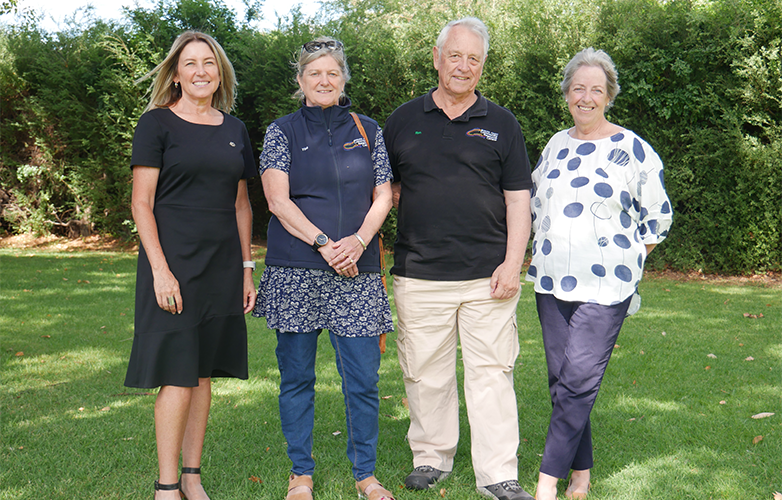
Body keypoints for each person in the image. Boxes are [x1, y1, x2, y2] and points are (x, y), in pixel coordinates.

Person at [384, 17, 534, 500]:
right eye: (455, 55)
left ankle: (497, 474)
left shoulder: (502, 124)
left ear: (482, 65)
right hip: (419, 272)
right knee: (425, 372)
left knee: (491, 374)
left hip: (487, 276)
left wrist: (513, 264)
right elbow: (385, 192)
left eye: (473, 58)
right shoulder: (403, 121)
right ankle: (431, 457)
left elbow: (518, 200)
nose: (463, 66)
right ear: (436, 57)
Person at [251, 37, 395, 500]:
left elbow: (384, 196)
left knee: (363, 379)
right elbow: (277, 199)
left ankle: (366, 476)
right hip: (296, 269)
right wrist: (324, 244)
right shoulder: (281, 131)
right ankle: (301, 474)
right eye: (315, 73)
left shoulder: (368, 129)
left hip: (358, 269)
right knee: (297, 376)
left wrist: (355, 243)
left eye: (333, 72)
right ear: (300, 81)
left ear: (344, 78)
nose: (324, 80)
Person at [527, 47, 673, 500]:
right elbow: (533, 206)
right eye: (578, 88)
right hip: (551, 283)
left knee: (577, 382)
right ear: (567, 93)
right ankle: (582, 472)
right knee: (562, 383)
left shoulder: (632, 149)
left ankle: (545, 484)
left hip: (606, 289)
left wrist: (629, 263)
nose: (586, 97)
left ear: (609, 95)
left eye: (596, 89)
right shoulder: (555, 144)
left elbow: (658, 217)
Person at [123, 31, 257, 500]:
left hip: (222, 265)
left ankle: (193, 478)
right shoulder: (156, 124)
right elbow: (142, 204)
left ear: (220, 72)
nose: (200, 71)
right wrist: (159, 269)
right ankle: (166, 486)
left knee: (202, 375)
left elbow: (242, 205)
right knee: (177, 374)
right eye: (190, 64)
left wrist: (246, 268)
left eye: (209, 63)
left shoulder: (234, 129)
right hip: (172, 265)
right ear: (175, 74)